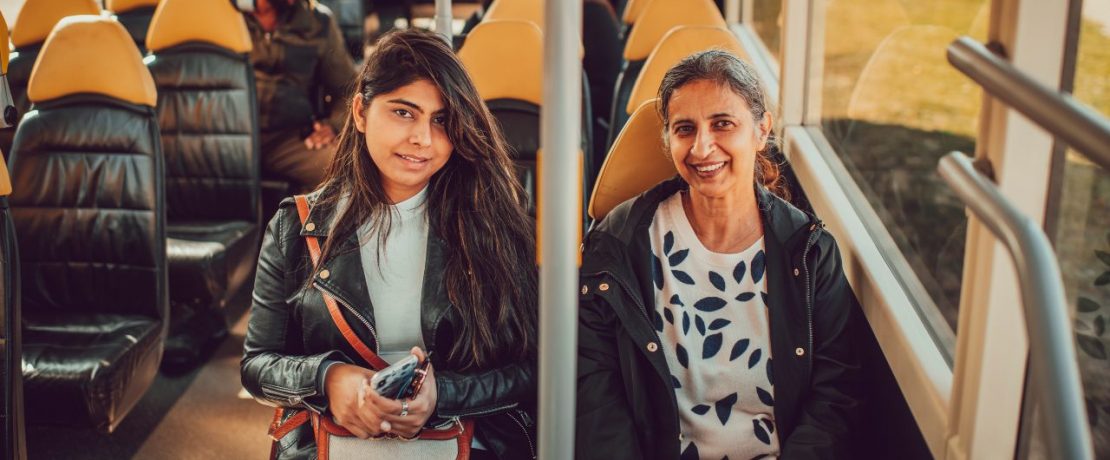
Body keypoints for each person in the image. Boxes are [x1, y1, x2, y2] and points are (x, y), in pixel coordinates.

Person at [241, 29, 538, 460]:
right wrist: (327, 378)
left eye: (440, 120)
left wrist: (444, 394)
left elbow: (533, 368)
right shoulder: (297, 224)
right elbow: (257, 364)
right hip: (332, 443)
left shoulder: (493, 223)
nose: (422, 138)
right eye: (403, 112)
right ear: (360, 112)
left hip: (462, 443)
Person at [576, 50, 861, 459]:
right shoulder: (619, 246)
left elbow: (836, 396)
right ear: (668, 139)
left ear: (761, 131)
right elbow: (596, 392)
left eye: (723, 124)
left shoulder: (809, 252)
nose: (702, 147)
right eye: (684, 129)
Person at [245, 0, 356, 191]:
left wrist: (333, 125)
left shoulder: (317, 21)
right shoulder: (222, 15)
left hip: (288, 139)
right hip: (225, 136)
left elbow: (348, 88)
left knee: (346, 169)